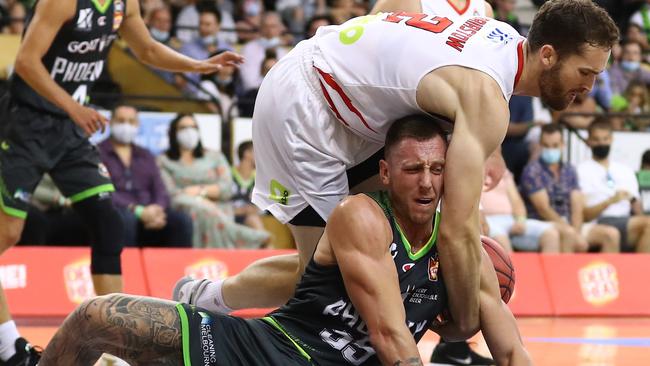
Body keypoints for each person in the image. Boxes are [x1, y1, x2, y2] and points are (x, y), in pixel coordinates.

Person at [176, 0, 618, 342]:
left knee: (376, 257)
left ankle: (206, 297)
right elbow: (459, 231)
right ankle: (209, 314)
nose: (590, 87)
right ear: (546, 55)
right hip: (306, 103)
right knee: (330, 280)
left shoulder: (501, 36)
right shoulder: (487, 97)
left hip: (350, 109)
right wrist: (464, 322)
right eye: (585, 72)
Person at [39, 115, 532, 366]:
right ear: (384, 173)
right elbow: (392, 340)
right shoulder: (360, 215)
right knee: (94, 317)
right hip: (272, 349)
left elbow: (511, 351)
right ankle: (209, 299)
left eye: (437, 170)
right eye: (412, 169)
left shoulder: (466, 249)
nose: (426, 182)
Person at [0, 0, 242, 362]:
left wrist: (197, 65)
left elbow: (145, 48)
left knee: (108, 221)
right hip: (27, 123)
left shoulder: (123, 5)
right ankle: (8, 347)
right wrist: (75, 108)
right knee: (7, 234)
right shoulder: (61, 2)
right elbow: (25, 63)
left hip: (70, 129)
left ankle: (112, 346)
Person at [159, 114, 270, 248]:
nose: (189, 131)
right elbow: (170, 192)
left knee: (249, 219)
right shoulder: (164, 161)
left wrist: (200, 191)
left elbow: (227, 188)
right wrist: (199, 200)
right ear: (173, 133)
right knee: (202, 210)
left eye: (193, 127)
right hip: (184, 205)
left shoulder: (214, 156)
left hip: (218, 205)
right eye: (183, 128)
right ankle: (244, 239)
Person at [98, 105, 193, 248]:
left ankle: (178, 268)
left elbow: (160, 189)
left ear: (137, 125)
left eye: (131, 121)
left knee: (182, 221)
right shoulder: (98, 153)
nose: (126, 125)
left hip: (150, 211)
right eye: (121, 120)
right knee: (125, 220)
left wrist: (157, 209)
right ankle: (125, 268)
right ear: (111, 122)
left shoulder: (145, 155)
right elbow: (102, 191)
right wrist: (136, 210)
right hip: (121, 211)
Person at [520, 124, 620, 253]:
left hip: (571, 224)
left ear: (563, 145)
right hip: (544, 224)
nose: (551, 149)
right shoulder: (532, 171)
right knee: (567, 235)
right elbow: (543, 209)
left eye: (555, 145)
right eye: (546, 145)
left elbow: (577, 205)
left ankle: (607, 272)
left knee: (611, 234)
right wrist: (571, 232)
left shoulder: (569, 169)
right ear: (540, 144)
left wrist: (576, 231)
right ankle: (566, 273)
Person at [577, 118, 650, 253]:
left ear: (611, 139)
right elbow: (584, 215)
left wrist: (633, 201)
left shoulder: (625, 170)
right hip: (597, 223)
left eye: (605, 139)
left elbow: (638, 210)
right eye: (596, 139)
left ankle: (640, 273)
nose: (601, 143)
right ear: (589, 141)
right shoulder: (580, 171)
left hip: (626, 221)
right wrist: (610, 201)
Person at [481, 169, 561, 253]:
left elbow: (516, 200)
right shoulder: (471, 170)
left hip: (510, 218)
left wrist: (520, 220)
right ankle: (511, 266)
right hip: (487, 219)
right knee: (501, 239)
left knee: (551, 234)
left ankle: (548, 266)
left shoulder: (502, 171)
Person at [232, 140, 266, 232]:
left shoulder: (259, 178)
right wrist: (240, 211)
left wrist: (254, 209)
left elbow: (264, 204)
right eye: (257, 152)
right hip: (229, 217)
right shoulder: (228, 174)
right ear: (247, 153)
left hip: (250, 218)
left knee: (253, 219)